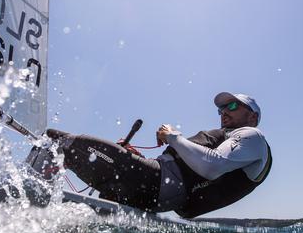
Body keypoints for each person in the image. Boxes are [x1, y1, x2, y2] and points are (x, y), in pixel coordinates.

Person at [26, 92, 272, 218]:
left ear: (253, 116)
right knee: (104, 204)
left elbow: (211, 166)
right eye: (220, 108)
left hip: (158, 184)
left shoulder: (252, 136)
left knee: (59, 142)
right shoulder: (231, 140)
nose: (223, 112)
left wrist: (172, 136)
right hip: (158, 191)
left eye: (231, 106)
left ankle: (23, 200)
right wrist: (132, 155)